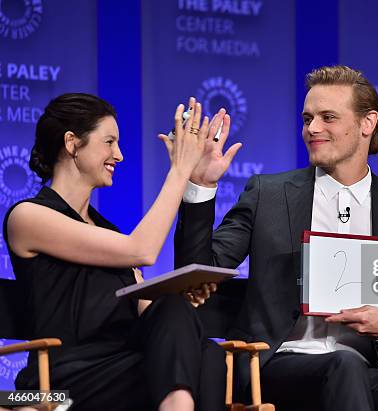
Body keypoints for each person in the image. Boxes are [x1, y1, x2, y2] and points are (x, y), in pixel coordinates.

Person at [174, 65, 378, 411]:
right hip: (278, 366)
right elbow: (196, 273)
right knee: (342, 368)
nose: (312, 128)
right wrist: (201, 187)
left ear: (367, 124)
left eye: (328, 117)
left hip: (370, 367)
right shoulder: (268, 194)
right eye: (307, 118)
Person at [3, 93, 238, 411]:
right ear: (72, 143)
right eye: (109, 142)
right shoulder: (28, 217)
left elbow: (145, 309)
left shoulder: (108, 232)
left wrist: (181, 301)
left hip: (117, 368)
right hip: (52, 387)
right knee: (198, 360)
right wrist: (179, 171)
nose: (120, 155)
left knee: (206, 351)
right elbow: (142, 250)